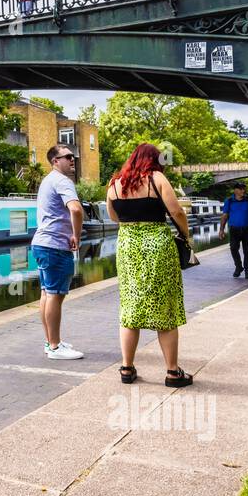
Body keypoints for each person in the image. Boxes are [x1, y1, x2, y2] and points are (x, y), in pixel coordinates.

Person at [106, 142, 193, 387]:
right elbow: (176, 212)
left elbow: (114, 217)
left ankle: (126, 368)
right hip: (157, 245)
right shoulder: (157, 178)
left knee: (130, 306)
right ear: (154, 160)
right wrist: (186, 235)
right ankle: (173, 373)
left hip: (127, 247)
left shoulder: (115, 183)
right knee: (164, 307)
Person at [31, 143, 85, 359]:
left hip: (42, 244)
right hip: (54, 245)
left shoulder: (48, 180)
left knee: (46, 293)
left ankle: (50, 342)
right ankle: (54, 347)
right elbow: (76, 209)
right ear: (55, 161)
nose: (72, 160)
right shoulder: (63, 181)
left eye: (73, 157)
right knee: (55, 295)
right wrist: (77, 235)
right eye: (68, 157)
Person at [218, 182, 248, 278]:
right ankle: (238, 266)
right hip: (234, 229)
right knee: (233, 248)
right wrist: (221, 229)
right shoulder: (229, 201)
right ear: (235, 190)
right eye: (241, 189)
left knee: (247, 250)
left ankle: (247, 270)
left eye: (244, 188)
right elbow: (225, 215)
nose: (243, 191)